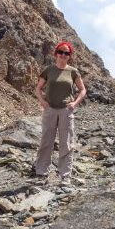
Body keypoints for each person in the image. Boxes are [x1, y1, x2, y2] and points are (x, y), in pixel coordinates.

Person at [34, 41, 87, 184]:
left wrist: (75, 103)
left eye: (66, 53)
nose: (63, 55)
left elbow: (83, 90)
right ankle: (41, 172)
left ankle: (65, 175)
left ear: (69, 56)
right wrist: (42, 102)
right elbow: (38, 88)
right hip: (50, 109)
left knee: (66, 142)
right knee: (46, 141)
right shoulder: (48, 70)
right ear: (56, 54)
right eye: (61, 52)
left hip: (66, 110)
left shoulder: (73, 71)